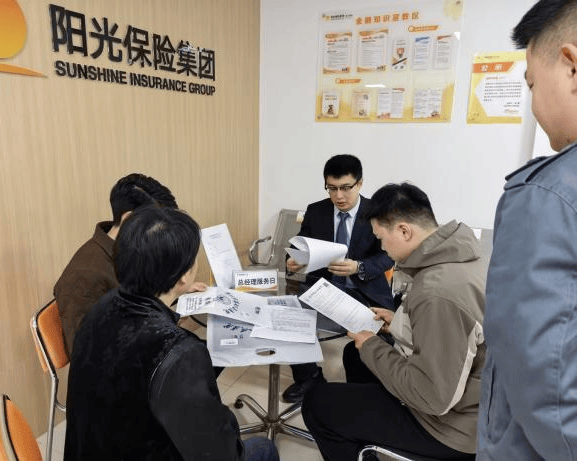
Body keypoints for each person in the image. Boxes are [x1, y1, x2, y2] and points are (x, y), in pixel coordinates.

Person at [64, 205, 279, 461]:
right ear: (184, 276)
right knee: (264, 448)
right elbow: (220, 453)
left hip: (94, 447)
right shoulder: (178, 352)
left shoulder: (101, 307)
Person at [302, 183, 485, 461]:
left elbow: (432, 397)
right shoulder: (461, 257)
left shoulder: (438, 292)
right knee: (355, 354)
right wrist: (399, 322)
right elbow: (449, 335)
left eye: (381, 238)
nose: (383, 248)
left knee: (318, 404)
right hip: (468, 395)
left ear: (404, 231)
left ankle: (362, 428)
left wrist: (373, 346)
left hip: (452, 426)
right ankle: (365, 434)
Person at [477, 2, 577, 459]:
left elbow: (546, 394)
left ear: (571, 66)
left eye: (532, 84)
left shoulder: (547, 195)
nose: (534, 105)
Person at [282, 154, 394, 403]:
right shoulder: (316, 211)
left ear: (360, 183)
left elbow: (388, 256)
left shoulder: (377, 212)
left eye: (345, 188)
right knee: (289, 319)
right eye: (332, 188)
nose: (339, 196)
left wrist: (359, 267)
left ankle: (366, 392)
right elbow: (300, 245)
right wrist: (294, 260)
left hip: (364, 291)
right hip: (323, 289)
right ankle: (309, 378)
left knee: (380, 335)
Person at [54, 173, 179, 355]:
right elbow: (87, 355)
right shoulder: (84, 276)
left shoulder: (127, 251)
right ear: (129, 219)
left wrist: (176, 291)